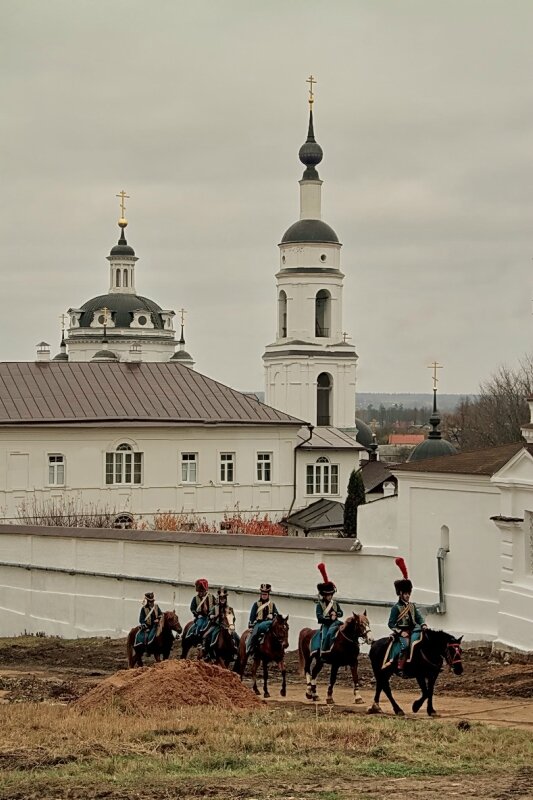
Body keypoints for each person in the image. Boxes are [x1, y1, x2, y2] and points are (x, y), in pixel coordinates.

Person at [387, 557, 427, 675]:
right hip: (403, 631)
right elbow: (391, 623)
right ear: (400, 594)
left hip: (414, 629)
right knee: (405, 646)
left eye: (409, 593)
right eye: (405, 593)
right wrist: (400, 632)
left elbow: (418, 617)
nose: (408, 596)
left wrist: (423, 624)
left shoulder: (412, 606)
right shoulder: (396, 608)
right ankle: (400, 666)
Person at [202, 586, 240, 659]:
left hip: (227, 627)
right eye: (221, 598)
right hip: (216, 626)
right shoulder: (215, 608)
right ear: (219, 598)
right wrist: (213, 616)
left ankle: (236, 652)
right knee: (207, 635)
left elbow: (233, 618)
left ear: (226, 599)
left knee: (236, 637)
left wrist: (230, 624)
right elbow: (209, 616)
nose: (222, 600)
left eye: (224, 598)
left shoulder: (230, 609)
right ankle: (207, 652)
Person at [315, 562, 343, 654]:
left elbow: (341, 613)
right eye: (328, 595)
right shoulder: (320, 605)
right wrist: (330, 619)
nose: (330, 597)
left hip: (336, 623)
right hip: (326, 625)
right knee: (326, 636)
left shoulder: (335, 603)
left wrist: (336, 614)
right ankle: (324, 652)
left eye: (331, 595)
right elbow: (319, 618)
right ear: (324, 595)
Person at [246, 583, 279, 654]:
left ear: (268, 595)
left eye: (265, 594)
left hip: (270, 623)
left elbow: (277, 615)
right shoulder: (256, 604)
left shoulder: (272, 605)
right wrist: (251, 626)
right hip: (259, 623)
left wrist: (272, 616)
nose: (264, 596)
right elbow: (252, 616)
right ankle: (250, 648)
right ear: (260, 595)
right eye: (263, 594)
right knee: (254, 635)